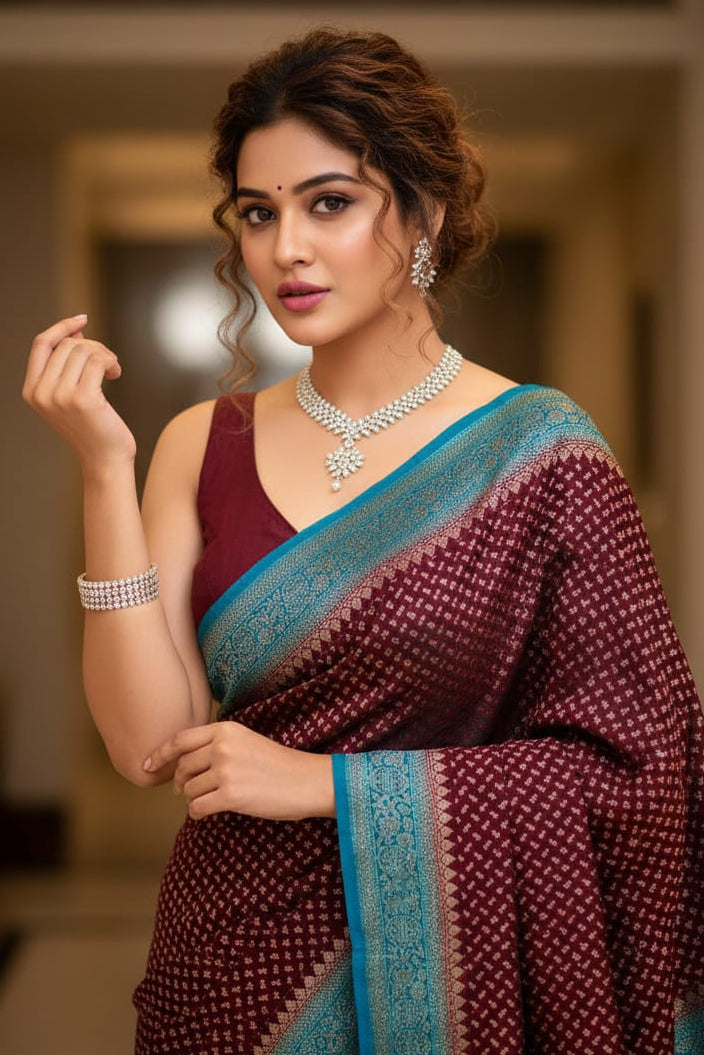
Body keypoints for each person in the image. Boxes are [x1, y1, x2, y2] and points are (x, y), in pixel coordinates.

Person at [22, 27, 704, 1055]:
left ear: (421, 213)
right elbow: (146, 743)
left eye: (327, 202)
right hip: (230, 967)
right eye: (259, 212)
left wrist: (329, 786)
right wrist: (103, 469)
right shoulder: (199, 442)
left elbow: (642, 769)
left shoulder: (539, 454)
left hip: (473, 988)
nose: (284, 247)